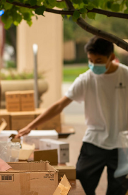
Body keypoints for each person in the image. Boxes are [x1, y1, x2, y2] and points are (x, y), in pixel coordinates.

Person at [16, 36, 127, 195]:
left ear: (112, 57)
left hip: (121, 144)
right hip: (94, 142)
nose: (94, 65)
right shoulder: (86, 79)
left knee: (118, 189)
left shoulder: (125, 75)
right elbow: (59, 105)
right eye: (91, 60)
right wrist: (30, 126)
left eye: (99, 60)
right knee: (80, 184)